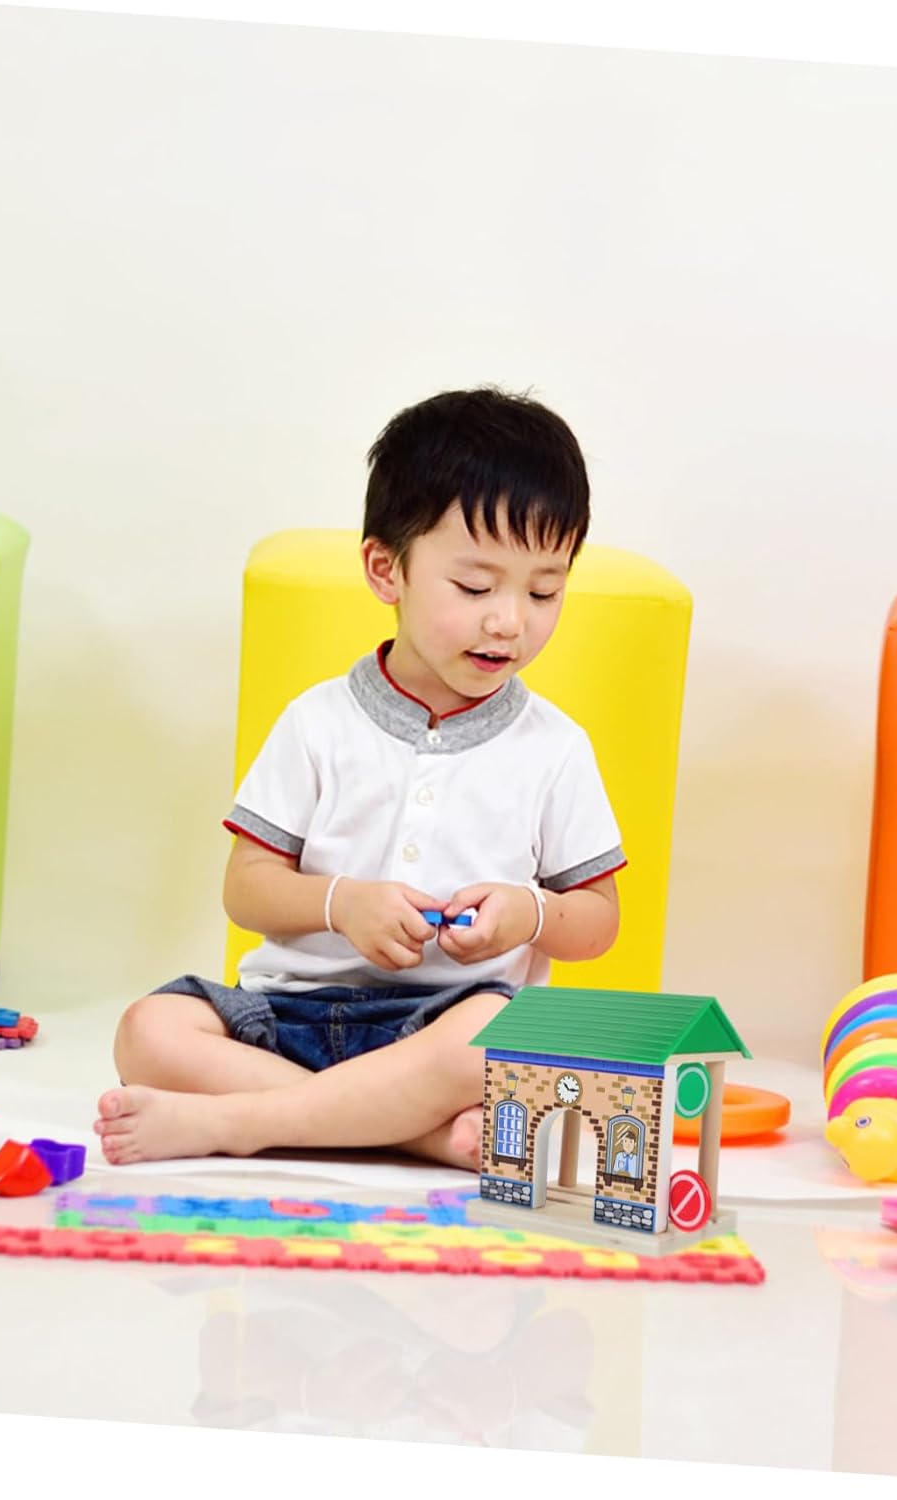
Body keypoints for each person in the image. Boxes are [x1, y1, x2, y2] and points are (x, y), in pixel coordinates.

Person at [94, 388, 625, 1168]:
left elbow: (599, 921)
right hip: (290, 1016)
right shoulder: (317, 721)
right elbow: (246, 889)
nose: (511, 621)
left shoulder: (555, 748)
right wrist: (341, 904)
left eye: (544, 590)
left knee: (491, 1038)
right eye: (476, 587)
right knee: (147, 1030)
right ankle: (416, 1135)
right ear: (386, 570)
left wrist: (530, 913)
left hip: (448, 1024)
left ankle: (239, 1122)